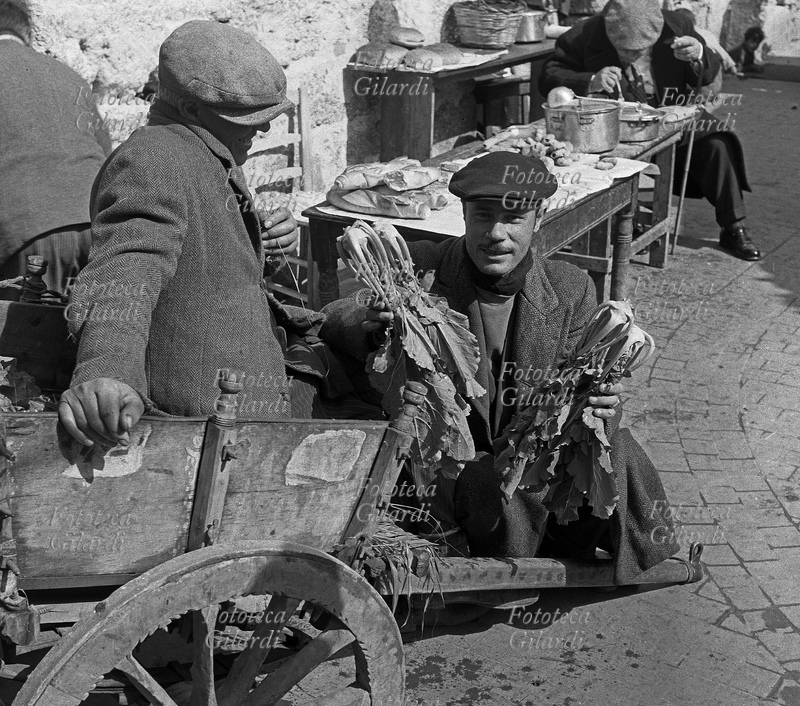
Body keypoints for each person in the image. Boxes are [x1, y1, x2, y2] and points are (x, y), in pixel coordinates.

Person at [322, 153, 679, 585]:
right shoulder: (417, 268)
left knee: (619, 449)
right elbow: (332, 317)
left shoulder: (569, 288)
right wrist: (370, 324)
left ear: (538, 218)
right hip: (453, 459)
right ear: (464, 215)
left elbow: (580, 392)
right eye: (483, 216)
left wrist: (602, 404)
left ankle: (631, 553)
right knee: (490, 487)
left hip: (533, 453)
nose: (496, 234)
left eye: (513, 218)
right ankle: (501, 579)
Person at [58, 20, 356, 448]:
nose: (263, 131)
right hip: (205, 424)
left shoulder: (203, 148)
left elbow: (206, 260)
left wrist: (267, 246)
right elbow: (129, 267)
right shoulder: (153, 159)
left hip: (250, 393)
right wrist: (108, 369)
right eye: (247, 119)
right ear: (192, 110)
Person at [539, 0, 762, 262]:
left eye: (640, 50)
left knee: (717, 145)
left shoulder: (677, 27)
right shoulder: (583, 35)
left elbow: (707, 73)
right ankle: (622, 221)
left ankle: (733, 226)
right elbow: (549, 76)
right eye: (624, 50)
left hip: (670, 115)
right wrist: (590, 81)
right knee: (605, 162)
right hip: (611, 127)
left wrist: (699, 55)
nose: (632, 56)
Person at [0, 0, 111, 296]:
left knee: (25, 326)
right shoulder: (67, 74)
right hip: (99, 227)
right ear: (27, 33)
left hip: (27, 237)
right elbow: (106, 151)